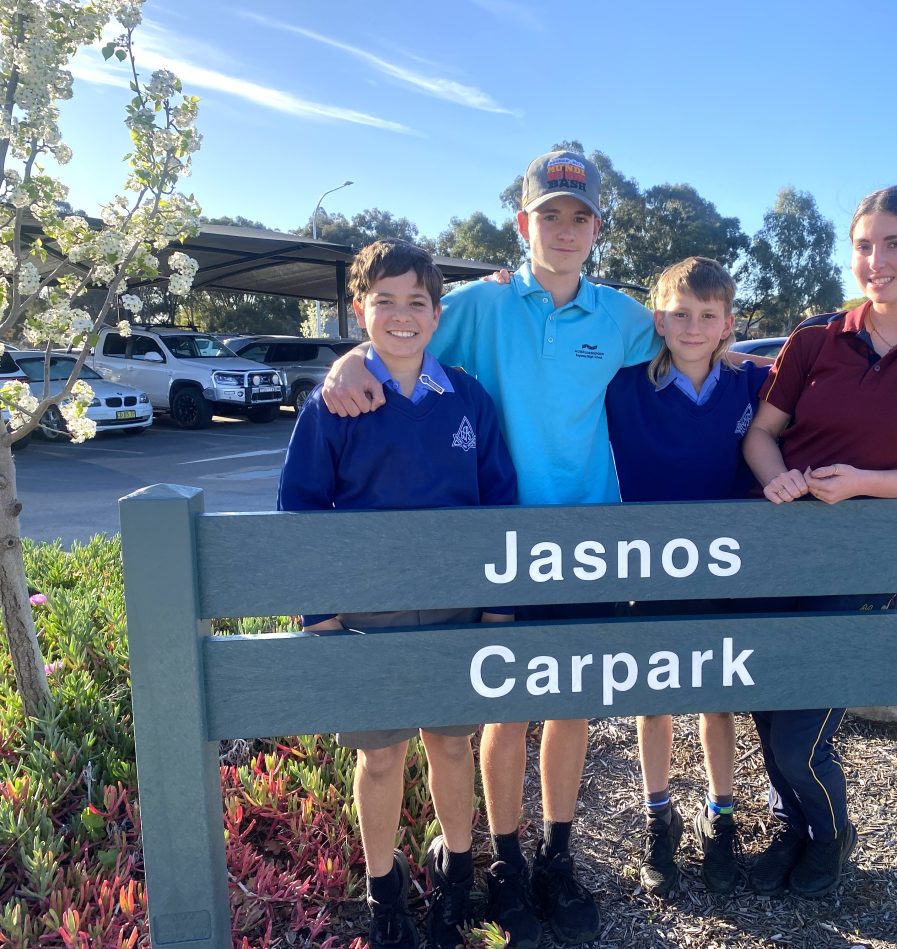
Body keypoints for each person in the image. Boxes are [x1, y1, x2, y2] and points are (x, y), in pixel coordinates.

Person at [320, 150, 662, 947]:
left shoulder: (621, 316)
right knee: (504, 713)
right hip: (498, 543)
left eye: (580, 216)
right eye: (550, 214)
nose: (565, 229)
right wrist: (344, 361)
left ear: (598, 228)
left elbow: (695, 343)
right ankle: (505, 861)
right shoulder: (478, 305)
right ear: (524, 223)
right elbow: (398, 334)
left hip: (589, 540)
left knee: (571, 706)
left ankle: (557, 855)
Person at [741, 185, 897, 900]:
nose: (876, 259)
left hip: (870, 560)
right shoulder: (814, 337)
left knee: (803, 731)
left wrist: (862, 482)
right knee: (768, 710)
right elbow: (763, 434)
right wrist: (777, 480)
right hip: (778, 552)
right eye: (863, 245)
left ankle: (829, 835)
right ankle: (794, 825)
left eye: (894, 243)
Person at [278, 240, 518, 949]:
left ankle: (456, 882)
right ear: (360, 310)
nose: (402, 314)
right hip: (367, 615)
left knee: (452, 744)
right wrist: (321, 618)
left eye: (417, 300)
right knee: (379, 756)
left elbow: (499, 500)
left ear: (437, 313)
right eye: (385, 300)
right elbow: (301, 509)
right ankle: (385, 895)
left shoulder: (468, 397)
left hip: (456, 609)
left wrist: (498, 607)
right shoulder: (336, 404)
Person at [604, 256, 768, 898]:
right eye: (680, 313)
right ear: (658, 318)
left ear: (728, 322)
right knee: (655, 692)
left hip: (723, 562)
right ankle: (658, 816)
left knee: (717, 694)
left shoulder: (749, 385)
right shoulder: (623, 387)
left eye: (708, 315)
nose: (694, 326)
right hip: (648, 561)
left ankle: (721, 815)